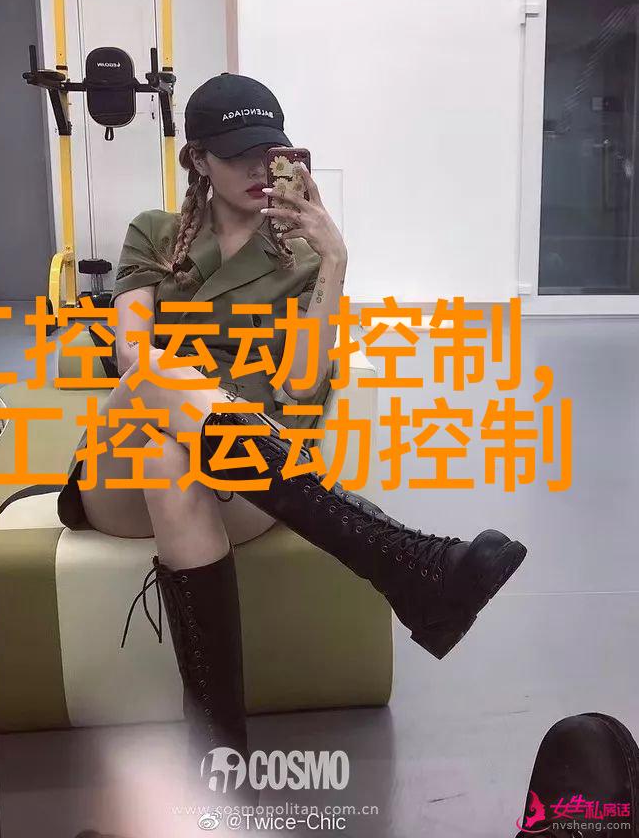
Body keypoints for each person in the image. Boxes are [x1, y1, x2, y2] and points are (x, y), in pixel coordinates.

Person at [57, 72, 527, 800]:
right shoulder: (155, 230)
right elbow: (131, 355)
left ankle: (219, 766)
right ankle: (405, 561)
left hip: (239, 478)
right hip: (119, 467)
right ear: (199, 159)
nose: (259, 168)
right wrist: (203, 394)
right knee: (158, 379)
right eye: (238, 154)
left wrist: (334, 261)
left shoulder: (300, 257)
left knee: (171, 461)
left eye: (270, 152)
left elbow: (304, 387)